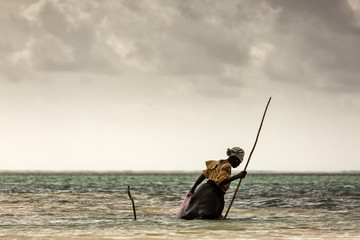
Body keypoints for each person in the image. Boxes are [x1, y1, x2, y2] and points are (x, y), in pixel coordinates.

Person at [180, 147, 247, 220]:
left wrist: (193, 188)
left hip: (202, 190)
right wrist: (238, 176)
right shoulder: (227, 166)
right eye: (239, 162)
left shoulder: (218, 162)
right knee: (209, 217)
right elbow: (221, 182)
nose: (238, 165)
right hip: (213, 194)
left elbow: (203, 175)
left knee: (192, 215)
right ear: (236, 159)